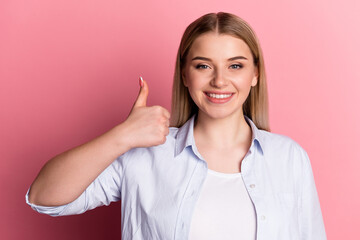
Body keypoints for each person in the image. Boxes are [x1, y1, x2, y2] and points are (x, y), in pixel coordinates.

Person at [26, 12, 327, 240]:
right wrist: (122, 136)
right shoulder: (145, 155)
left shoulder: (289, 158)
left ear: (255, 74)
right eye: (203, 65)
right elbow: (44, 198)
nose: (219, 80)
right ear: (184, 74)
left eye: (235, 65)